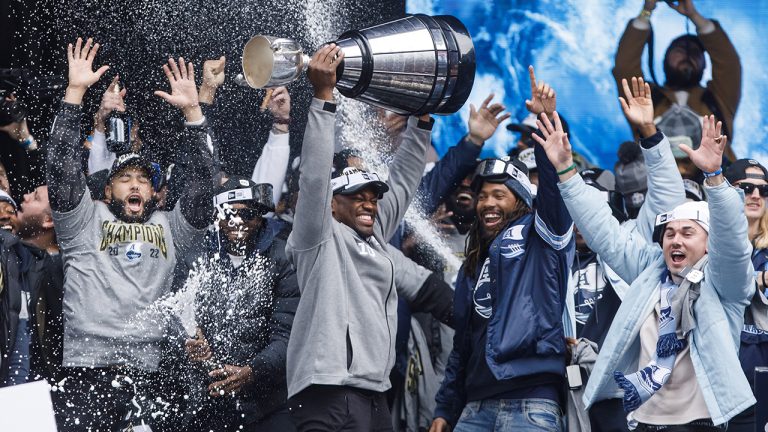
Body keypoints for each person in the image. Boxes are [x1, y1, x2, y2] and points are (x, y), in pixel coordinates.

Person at [539, 101, 755, 429]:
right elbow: (603, 232)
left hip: (703, 423)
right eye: (669, 233)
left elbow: (734, 242)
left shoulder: (723, 281)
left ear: (709, 242)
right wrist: (566, 170)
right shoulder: (650, 272)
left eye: (687, 232)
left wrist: (714, 176)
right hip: (643, 423)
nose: (675, 240)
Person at [47, 38, 217, 430]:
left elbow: (205, 186)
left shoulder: (171, 227)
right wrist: (75, 93)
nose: (135, 185)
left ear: (154, 191)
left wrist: (194, 111)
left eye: (143, 178)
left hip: (150, 374)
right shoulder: (81, 221)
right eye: (125, 178)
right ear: (107, 190)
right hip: (86, 372)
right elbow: (61, 168)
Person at [285, 43, 433, 431]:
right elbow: (315, 178)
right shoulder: (316, 236)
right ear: (332, 206)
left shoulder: (376, 236)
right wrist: (323, 98)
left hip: (375, 393)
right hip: (327, 390)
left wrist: (423, 121)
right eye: (357, 198)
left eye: (373, 198)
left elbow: (403, 180)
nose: (369, 205)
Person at [431, 77, 575, 430]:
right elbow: (463, 342)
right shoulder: (474, 261)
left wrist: (545, 123)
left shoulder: (541, 238)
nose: (487, 203)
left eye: (499, 195)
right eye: (483, 196)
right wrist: (446, 408)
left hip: (531, 403)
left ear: (522, 201)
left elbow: (555, 197)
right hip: (474, 407)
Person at [178, 176, 298, 432]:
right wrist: (188, 340)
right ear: (216, 216)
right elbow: (174, 315)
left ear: (261, 216)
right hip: (207, 400)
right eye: (229, 213)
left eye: (248, 215)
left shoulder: (282, 259)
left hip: (268, 404)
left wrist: (254, 370)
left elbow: (288, 334)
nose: (238, 222)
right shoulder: (195, 258)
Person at [614, 0, 741, 161]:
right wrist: (646, 11)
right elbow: (624, 67)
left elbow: (729, 64)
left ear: (704, 66)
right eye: (680, 50)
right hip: (653, 182)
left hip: (714, 181)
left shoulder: (719, 99)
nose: (688, 56)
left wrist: (694, 16)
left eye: (696, 54)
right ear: (665, 60)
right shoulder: (644, 97)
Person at [724, 159, 768, 432]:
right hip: (720, 379)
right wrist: (759, 280)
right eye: (747, 187)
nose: (755, 195)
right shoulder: (707, 243)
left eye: (764, 190)